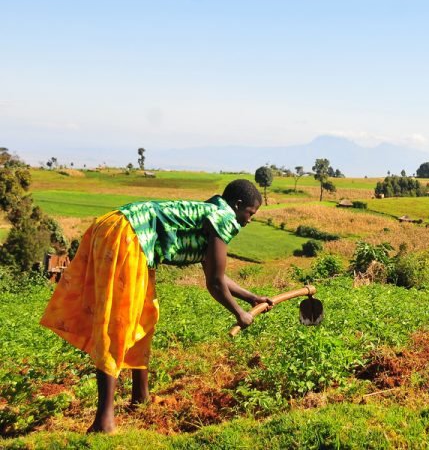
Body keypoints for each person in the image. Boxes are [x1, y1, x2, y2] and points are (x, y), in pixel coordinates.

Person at [40, 179, 272, 433]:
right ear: (237, 205)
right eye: (250, 213)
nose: (249, 220)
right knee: (118, 323)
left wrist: (251, 298)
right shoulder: (224, 218)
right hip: (129, 237)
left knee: (143, 315)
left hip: (120, 228)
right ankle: (103, 421)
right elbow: (215, 283)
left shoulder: (210, 214)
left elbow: (214, 271)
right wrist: (240, 314)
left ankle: (140, 397)